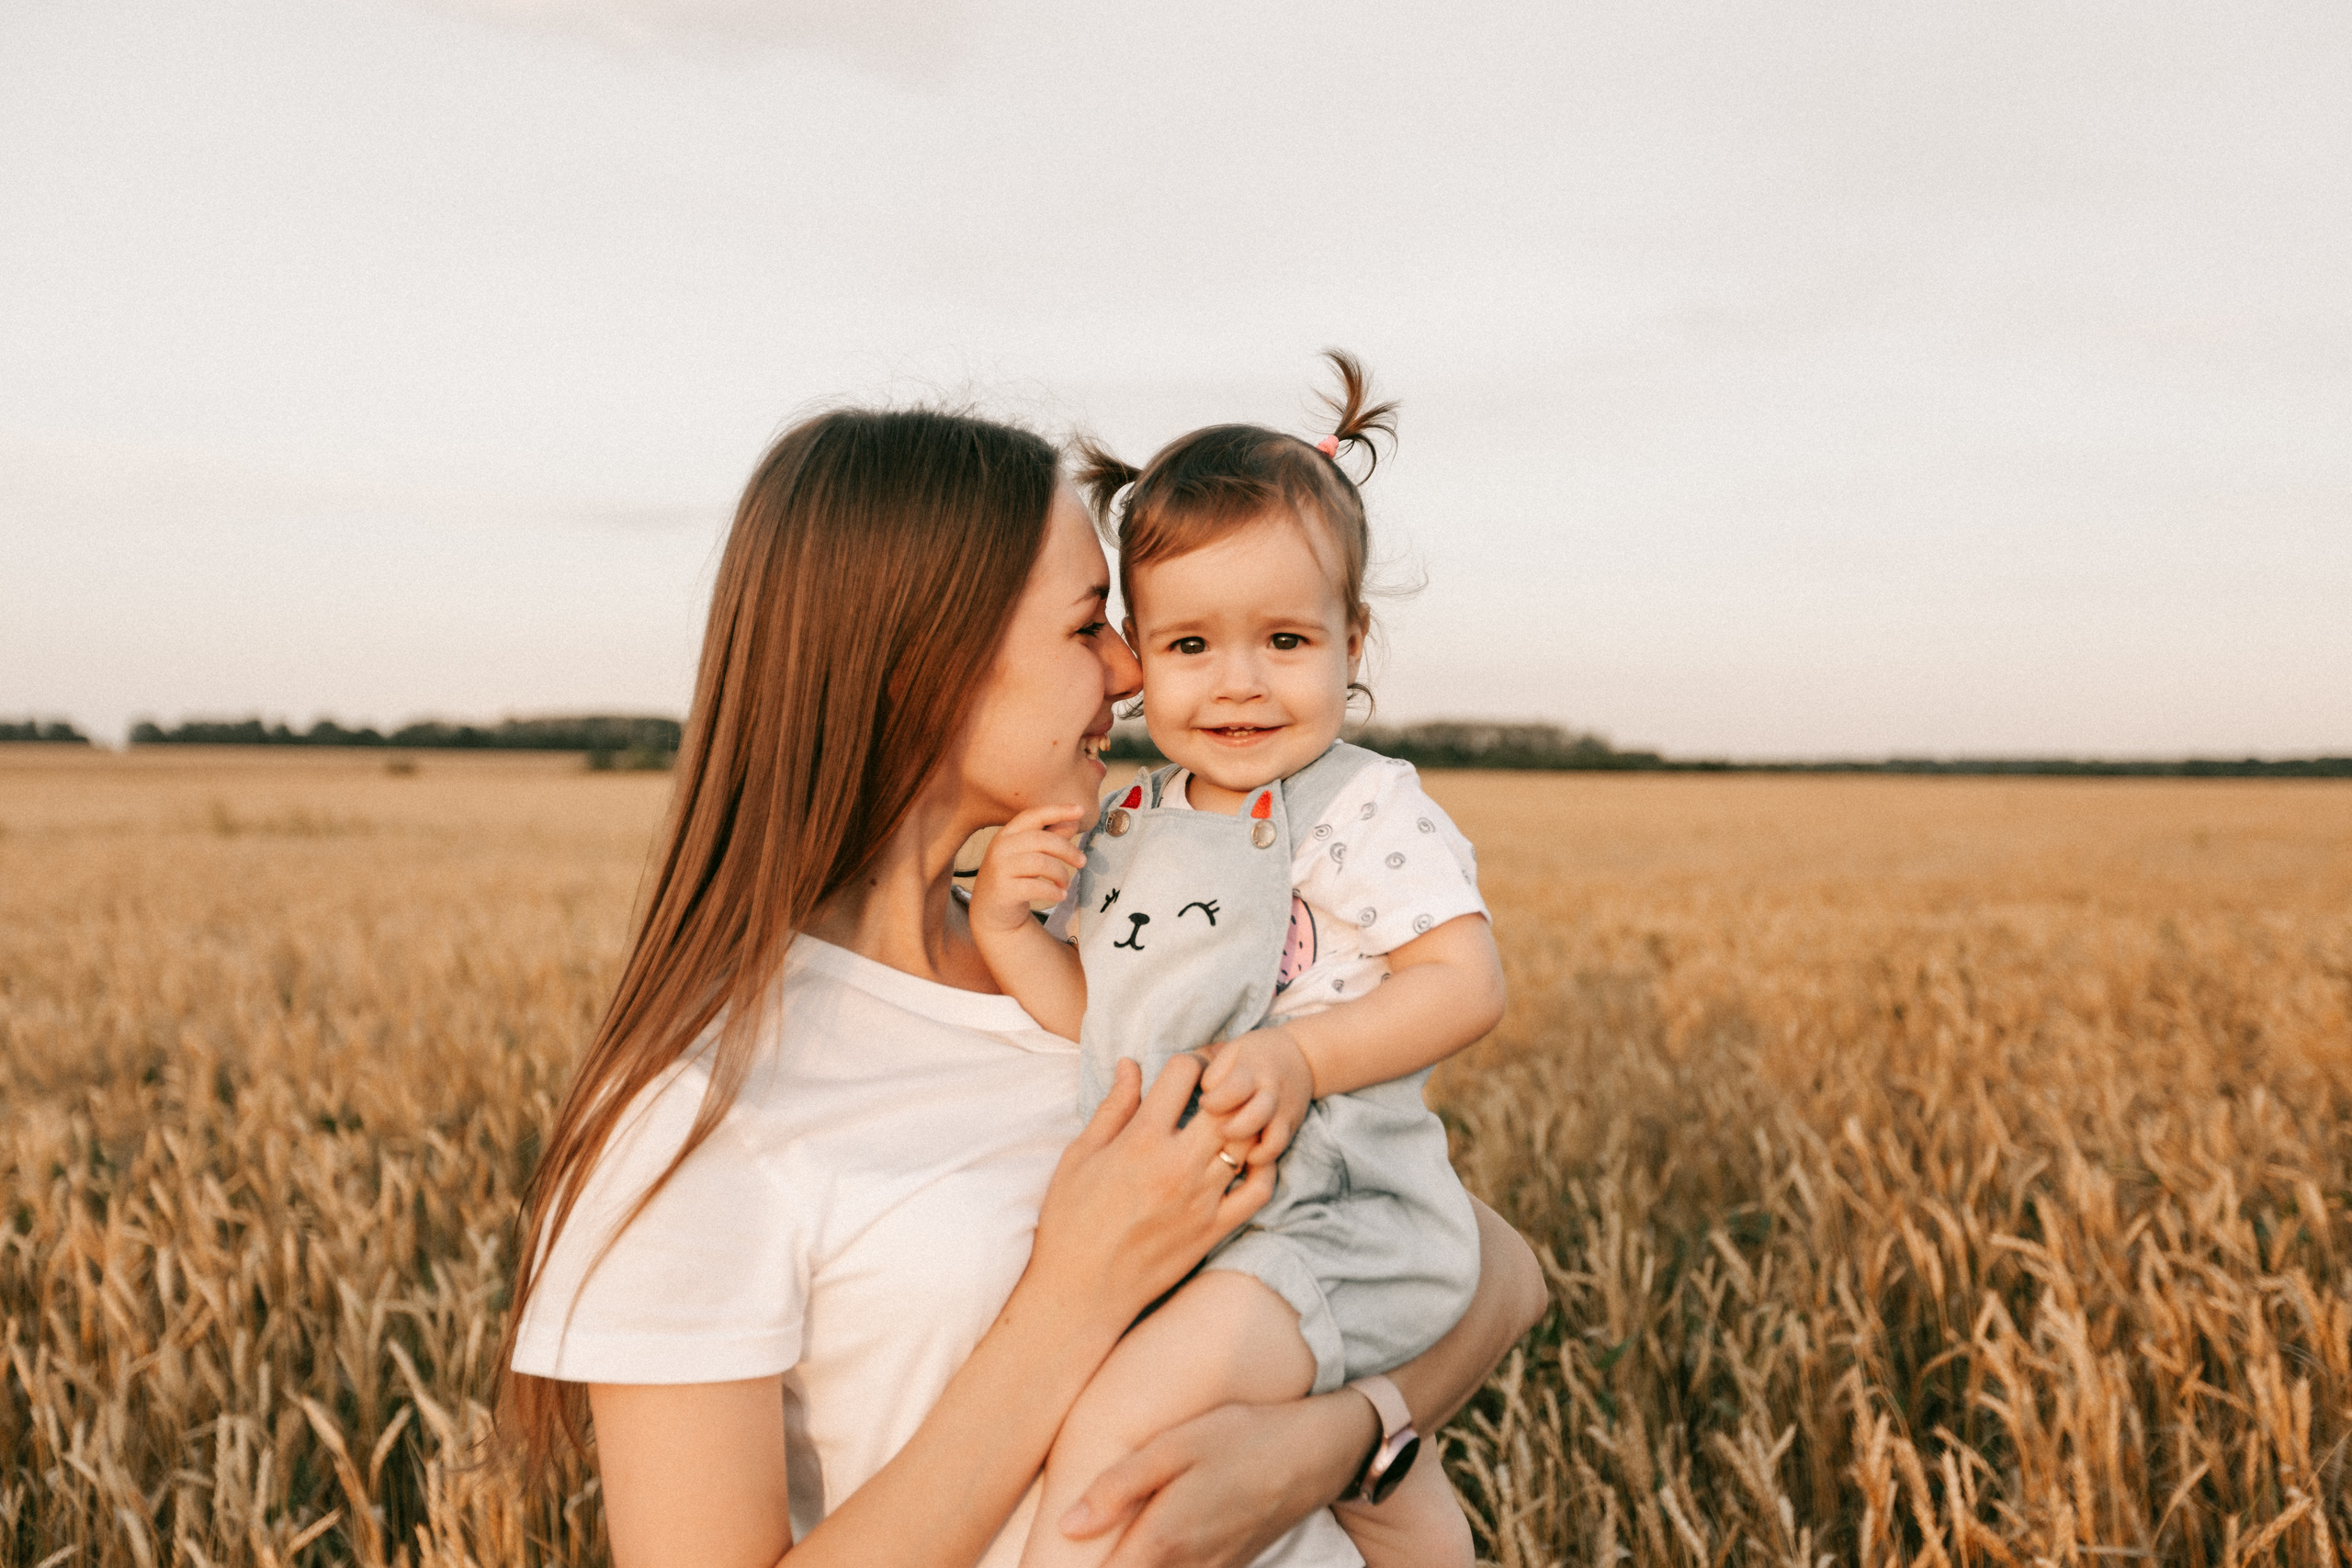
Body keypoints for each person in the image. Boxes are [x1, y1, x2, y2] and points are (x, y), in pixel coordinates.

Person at [497, 402, 1548, 1568]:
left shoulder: (1109, 941)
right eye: (1090, 623)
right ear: (930, 662)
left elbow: (1494, 1268)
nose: (1129, 669)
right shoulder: (697, 1112)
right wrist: (1074, 1297)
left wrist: (1332, 1449)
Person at [969, 355, 1497, 1568]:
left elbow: (1468, 982)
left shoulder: (1362, 805)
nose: (1241, 681)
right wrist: (1008, 933)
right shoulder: (1129, 822)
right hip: (1208, 1230)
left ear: (1353, 639)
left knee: (1109, 1434)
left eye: (1288, 638)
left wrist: (1300, 1053)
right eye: (1193, 642)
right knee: (1368, 1487)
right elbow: (1102, 1022)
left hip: (1338, 1220)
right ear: (1135, 653)